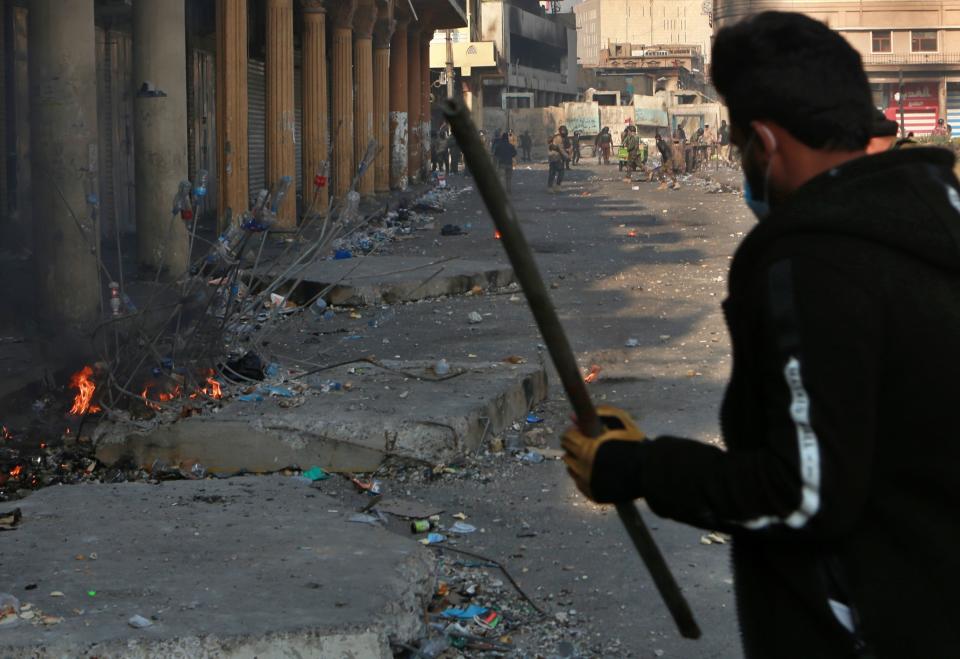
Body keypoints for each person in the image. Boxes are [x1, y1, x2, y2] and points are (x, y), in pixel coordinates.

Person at [562, 11, 960, 659]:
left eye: (741, 144)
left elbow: (805, 495)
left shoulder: (814, 261)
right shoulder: (939, 218)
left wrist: (639, 468)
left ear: (766, 145)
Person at [547, 125, 572, 190]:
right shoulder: (559, 138)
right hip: (556, 157)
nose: (564, 132)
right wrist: (568, 157)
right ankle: (555, 186)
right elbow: (561, 149)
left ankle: (551, 187)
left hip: (552, 157)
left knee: (553, 172)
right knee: (560, 172)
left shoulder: (557, 137)